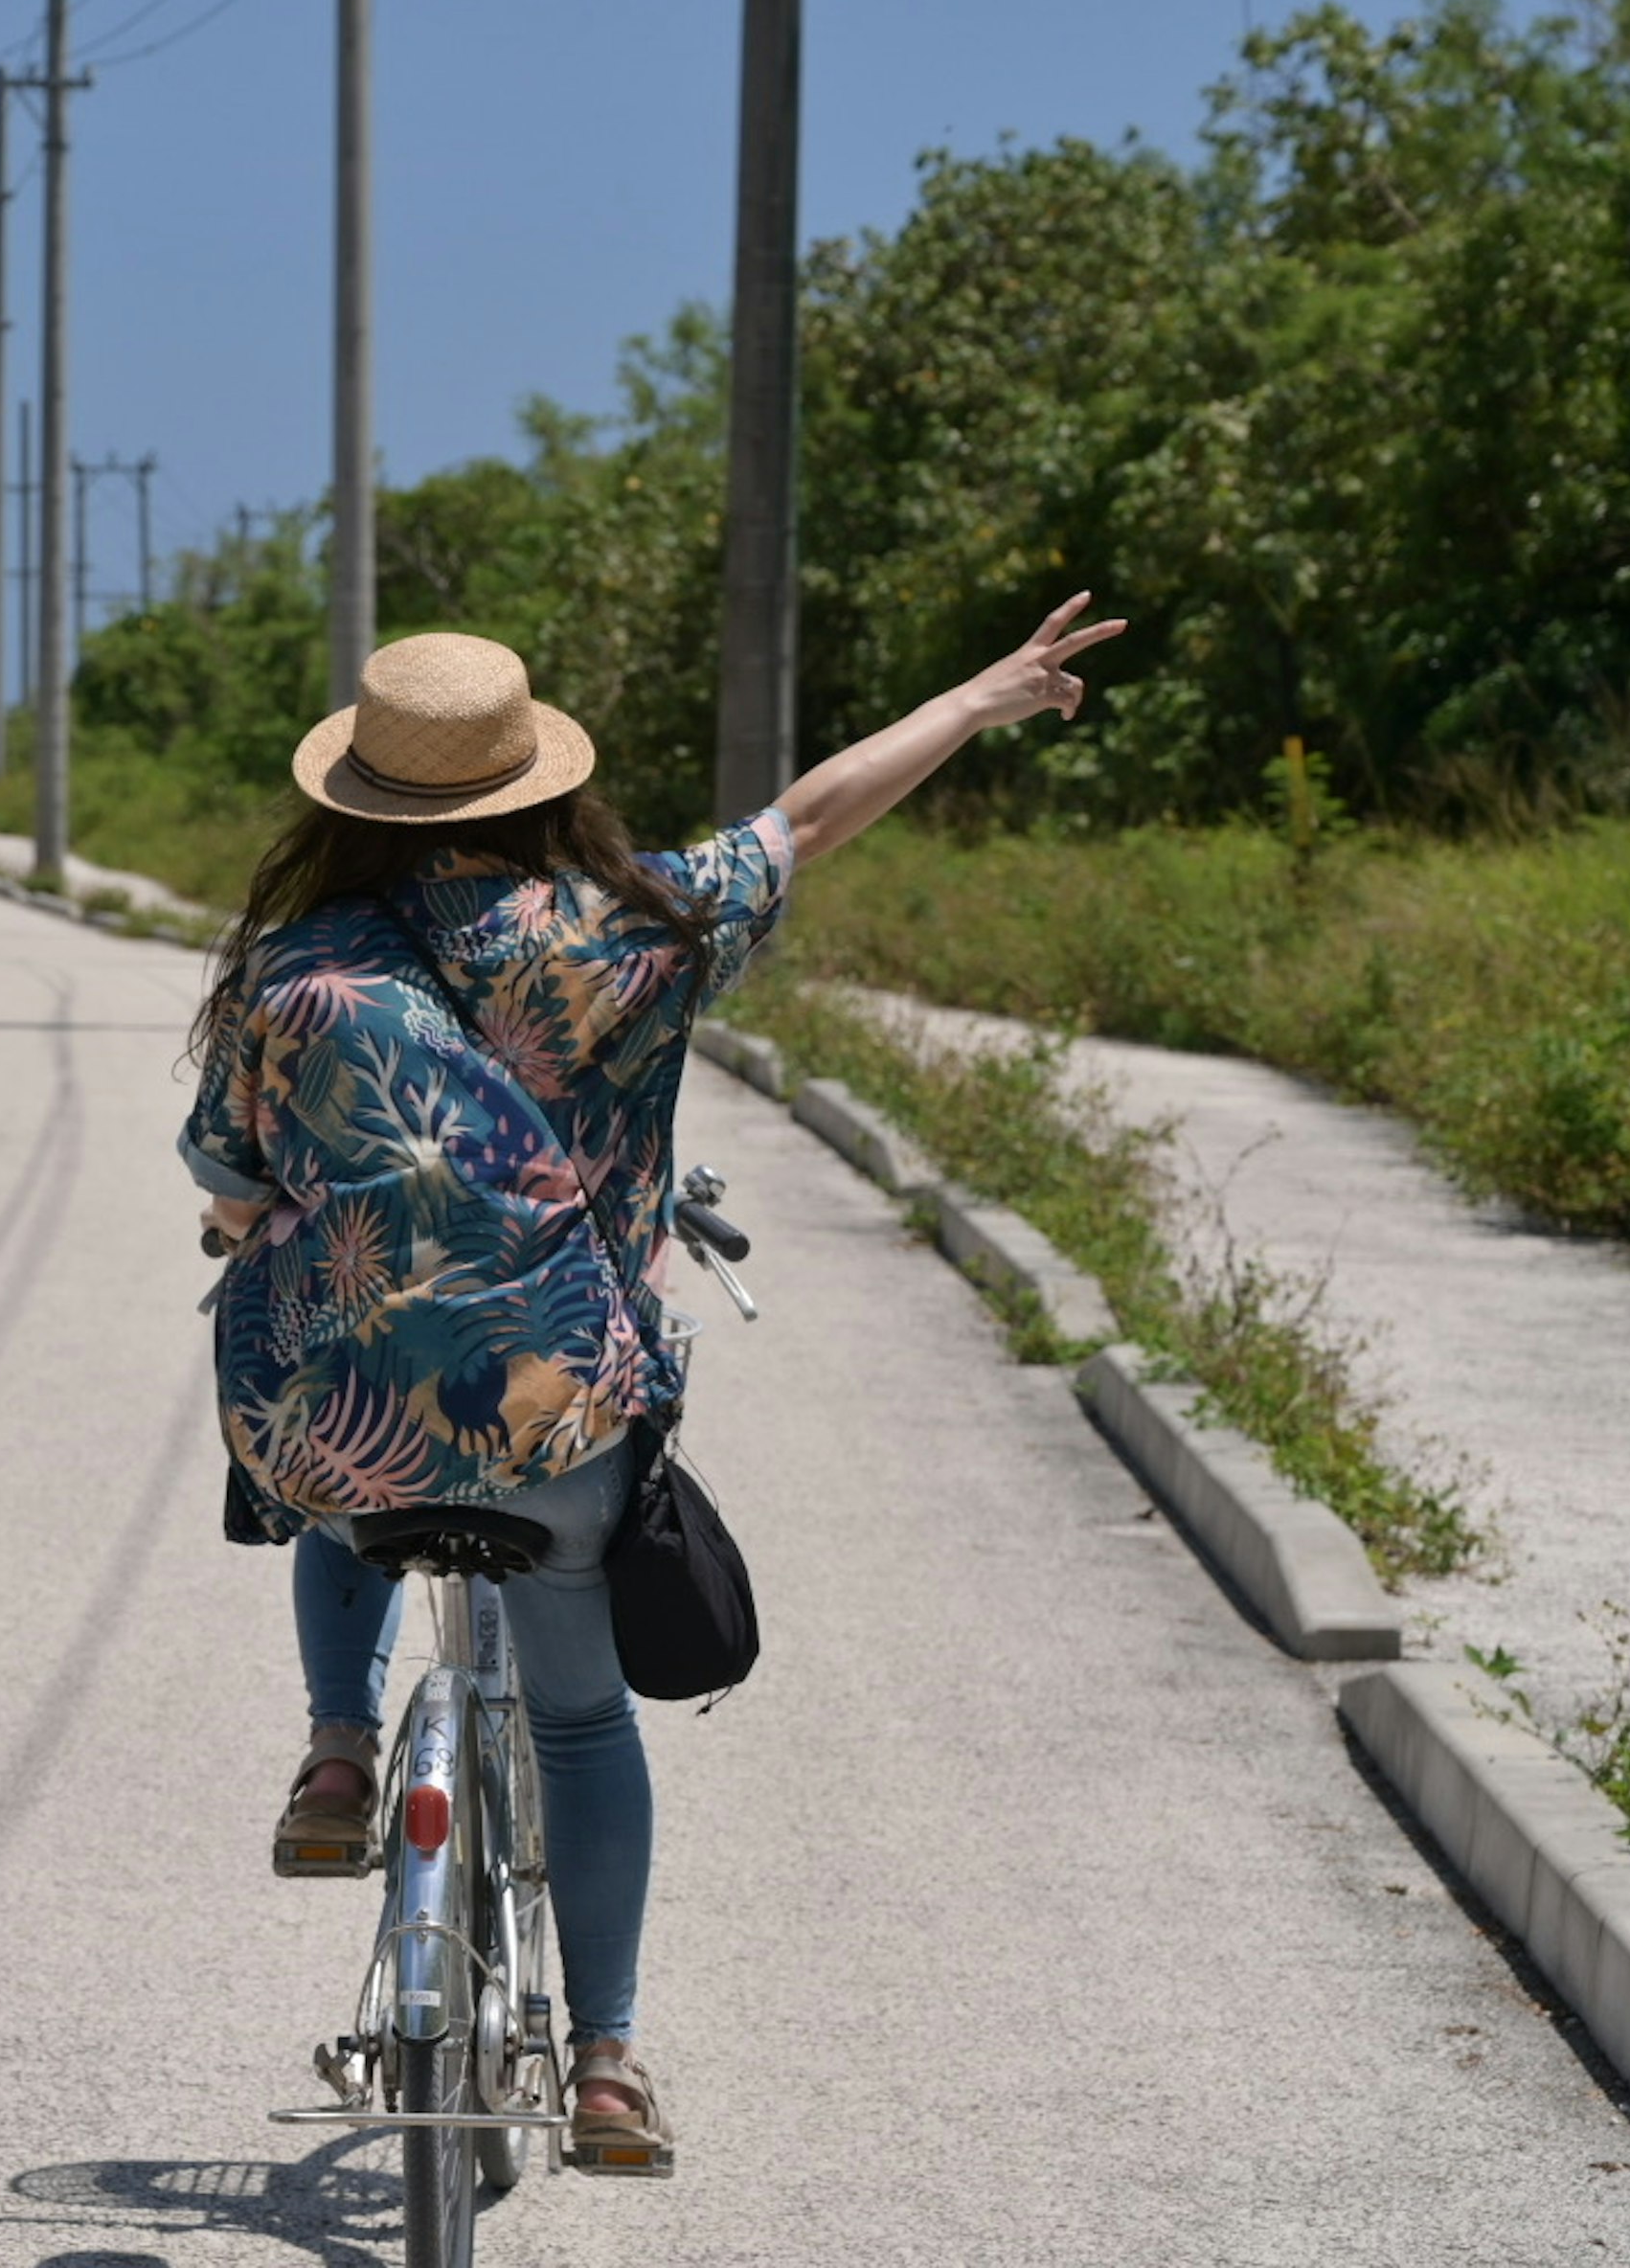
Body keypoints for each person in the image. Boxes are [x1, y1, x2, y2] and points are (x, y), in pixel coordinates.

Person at [179, 599, 1125, 2168]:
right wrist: (977, 698)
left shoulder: (294, 967)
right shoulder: (631, 926)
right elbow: (809, 816)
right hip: (564, 1413)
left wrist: (255, 1220)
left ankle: (341, 1746)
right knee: (581, 1717)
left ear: (353, 797)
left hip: (342, 1424)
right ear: (540, 784)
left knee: (326, 1462)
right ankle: (608, 2062)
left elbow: (229, 1176)